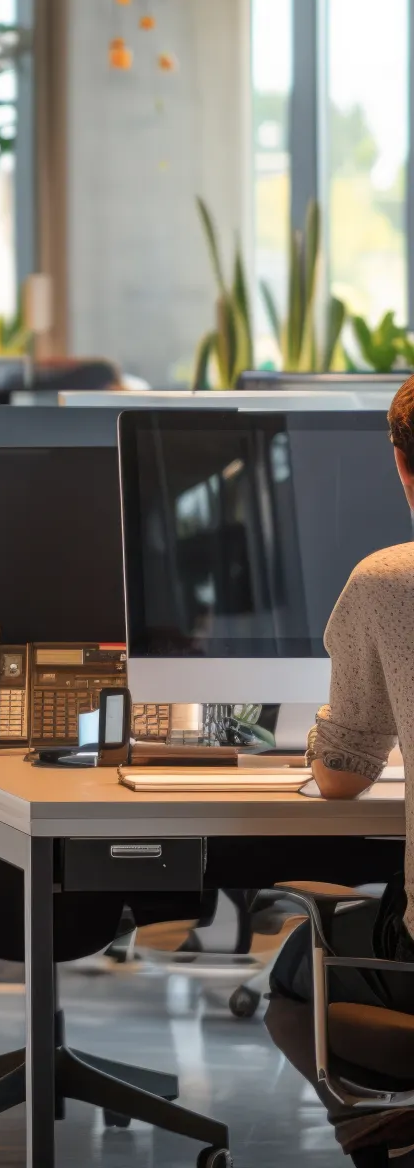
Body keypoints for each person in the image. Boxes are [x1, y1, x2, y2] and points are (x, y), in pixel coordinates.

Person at [271, 373, 414, 1020]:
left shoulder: (390, 580)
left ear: (399, 463)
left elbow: (341, 778)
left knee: (297, 967)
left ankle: (362, 1124)